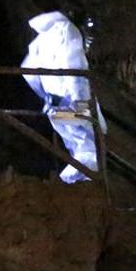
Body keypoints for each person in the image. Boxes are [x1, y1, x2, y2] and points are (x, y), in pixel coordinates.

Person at [21, 10, 105, 183]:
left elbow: (28, 71)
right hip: (73, 102)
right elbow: (76, 68)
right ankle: (88, 181)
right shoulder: (68, 31)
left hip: (56, 105)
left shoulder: (40, 39)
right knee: (93, 138)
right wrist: (80, 102)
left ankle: (75, 179)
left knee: (77, 143)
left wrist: (45, 96)